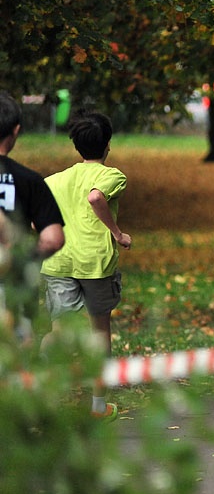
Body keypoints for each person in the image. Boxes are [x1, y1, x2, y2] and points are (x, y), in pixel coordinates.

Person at [39, 110, 130, 420]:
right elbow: (95, 198)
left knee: (59, 330)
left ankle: (44, 391)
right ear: (107, 145)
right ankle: (97, 406)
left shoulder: (53, 181)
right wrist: (117, 234)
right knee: (99, 332)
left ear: (76, 146)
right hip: (96, 263)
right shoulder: (111, 175)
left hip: (59, 261)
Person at [0, 91, 65, 341]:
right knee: (18, 352)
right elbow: (53, 239)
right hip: (16, 286)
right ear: (15, 131)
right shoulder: (30, 181)